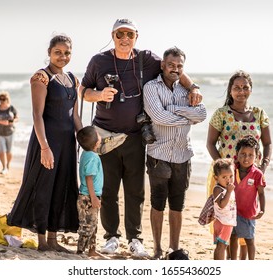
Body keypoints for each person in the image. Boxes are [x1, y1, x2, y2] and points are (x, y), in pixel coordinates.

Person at [79, 18, 202, 257]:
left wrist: (194, 87)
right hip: (104, 135)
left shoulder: (147, 59)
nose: (125, 38)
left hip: (136, 136)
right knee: (109, 188)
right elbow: (83, 91)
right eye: (120, 34)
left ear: (136, 36)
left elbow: (174, 68)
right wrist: (100, 94)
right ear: (113, 35)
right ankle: (111, 237)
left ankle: (135, 238)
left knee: (135, 190)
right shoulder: (99, 61)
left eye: (130, 34)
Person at [7, 34, 83, 252]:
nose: (62, 56)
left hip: (67, 144)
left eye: (67, 52)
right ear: (49, 53)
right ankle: (41, 240)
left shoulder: (73, 79)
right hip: (47, 143)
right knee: (44, 188)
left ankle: (52, 240)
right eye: (57, 52)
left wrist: (86, 141)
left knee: (62, 188)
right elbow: (37, 115)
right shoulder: (41, 77)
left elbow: (75, 117)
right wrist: (45, 148)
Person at [143, 46, 207, 259]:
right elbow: (158, 117)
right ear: (163, 65)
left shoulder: (188, 91)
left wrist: (172, 110)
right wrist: (186, 117)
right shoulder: (151, 88)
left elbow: (202, 113)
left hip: (183, 155)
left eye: (180, 66)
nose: (175, 69)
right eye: (171, 65)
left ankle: (173, 248)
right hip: (158, 155)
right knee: (158, 204)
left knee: (177, 205)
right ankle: (157, 249)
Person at [206, 70, 272, 258]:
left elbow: (267, 143)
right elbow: (210, 143)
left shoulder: (259, 114)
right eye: (237, 87)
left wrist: (262, 167)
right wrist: (222, 169)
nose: (241, 91)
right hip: (225, 178)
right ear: (230, 90)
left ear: (251, 89)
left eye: (245, 87)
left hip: (249, 177)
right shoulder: (221, 114)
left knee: (246, 223)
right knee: (226, 224)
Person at [230, 135, 266, 260]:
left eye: (251, 155)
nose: (246, 158)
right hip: (232, 211)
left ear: (257, 157)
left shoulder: (257, 174)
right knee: (233, 237)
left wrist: (262, 209)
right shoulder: (232, 169)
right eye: (243, 154)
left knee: (249, 240)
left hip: (248, 214)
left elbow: (261, 193)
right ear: (237, 154)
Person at [76, 126, 106, 258]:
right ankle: (81, 251)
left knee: (93, 224)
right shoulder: (92, 157)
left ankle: (92, 250)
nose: (100, 136)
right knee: (88, 225)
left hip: (90, 195)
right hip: (88, 196)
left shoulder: (86, 154)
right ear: (96, 142)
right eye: (98, 134)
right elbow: (89, 178)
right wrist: (94, 197)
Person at [211, 158, 236, 260]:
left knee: (222, 246)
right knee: (221, 246)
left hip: (226, 221)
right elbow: (222, 204)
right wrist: (229, 192)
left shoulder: (226, 188)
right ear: (216, 177)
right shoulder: (217, 189)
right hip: (223, 222)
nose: (228, 180)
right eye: (224, 177)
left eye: (231, 176)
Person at [0, 91, 18, 174]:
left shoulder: (12, 108)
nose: (2, 100)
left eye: (3, 99)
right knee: (2, 151)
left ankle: (8, 165)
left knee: (9, 152)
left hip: (10, 132)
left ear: (7, 99)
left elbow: (17, 118)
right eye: (0, 99)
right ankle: (4, 167)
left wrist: (11, 121)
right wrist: (1, 122)